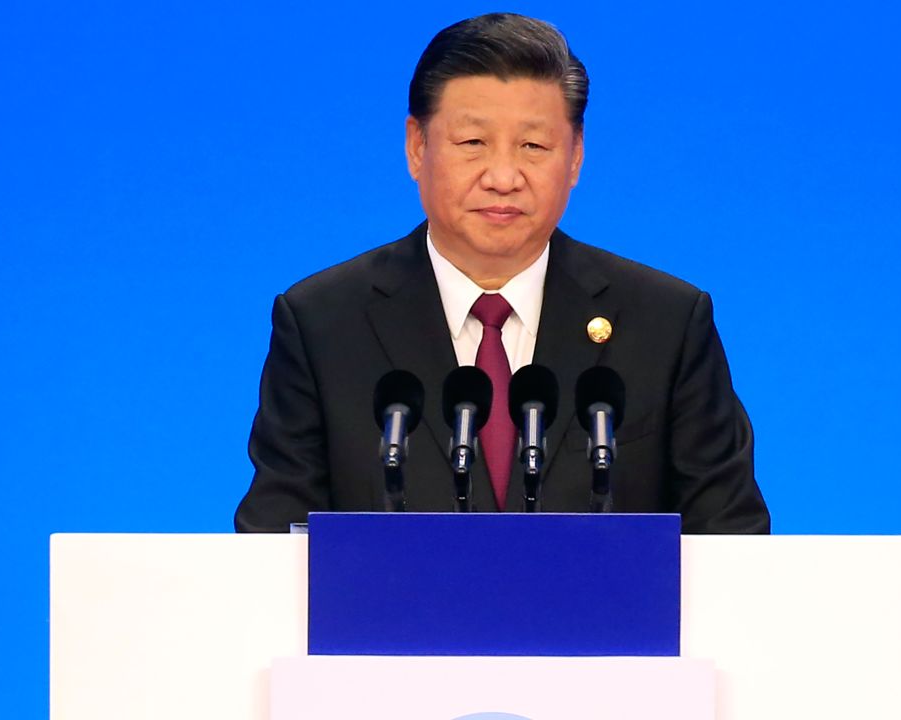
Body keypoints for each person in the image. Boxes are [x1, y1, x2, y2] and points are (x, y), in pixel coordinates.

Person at [234, 13, 769, 533]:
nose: (504, 176)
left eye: (533, 146)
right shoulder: (323, 322)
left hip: (600, 626)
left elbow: (731, 540)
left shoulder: (665, 322)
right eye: (473, 144)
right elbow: (274, 543)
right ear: (417, 147)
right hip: (395, 625)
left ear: (576, 156)